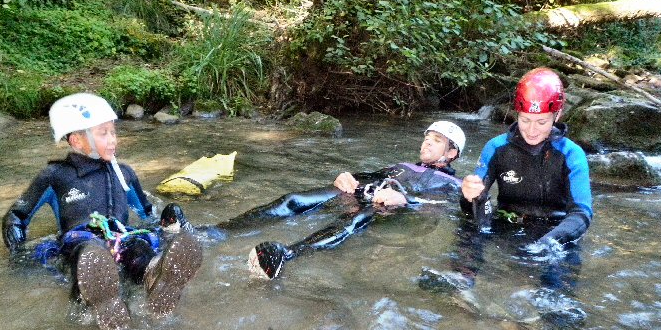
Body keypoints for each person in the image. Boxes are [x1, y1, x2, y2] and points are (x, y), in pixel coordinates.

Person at [2, 93, 203, 330]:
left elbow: (147, 213)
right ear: (76, 140)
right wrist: (16, 246)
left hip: (123, 237)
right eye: (103, 133)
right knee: (86, 254)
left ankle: (155, 277)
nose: (113, 140)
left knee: (139, 247)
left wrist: (168, 223)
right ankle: (100, 301)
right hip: (81, 242)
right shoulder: (55, 175)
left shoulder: (125, 174)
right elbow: (18, 215)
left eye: (113, 132)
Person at [179, 121, 465, 280]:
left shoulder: (452, 184)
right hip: (363, 192)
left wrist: (405, 200)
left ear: (451, 153)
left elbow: (441, 206)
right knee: (293, 199)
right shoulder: (401, 165)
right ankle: (216, 231)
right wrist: (347, 176)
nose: (427, 142)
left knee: (351, 222)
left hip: (385, 206)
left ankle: (286, 255)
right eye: (427, 136)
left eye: (437, 140)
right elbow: (368, 174)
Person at [424, 67, 592, 329]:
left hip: (555, 229)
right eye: (525, 120)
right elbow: (474, 203)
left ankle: (556, 301)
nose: (532, 130)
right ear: (516, 113)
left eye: (542, 122)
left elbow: (581, 214)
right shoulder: (497, 147)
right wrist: (468, 195)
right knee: (471, 226)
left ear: (557, 115)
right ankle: (461, 276)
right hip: (508, 222)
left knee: (559, 254)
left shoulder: (572, 154)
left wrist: (549, 241)